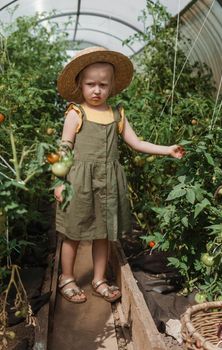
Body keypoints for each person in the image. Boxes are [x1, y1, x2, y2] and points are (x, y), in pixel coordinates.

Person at [54, 47, 185, 304]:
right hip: (78, 181)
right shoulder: (75, 113)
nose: (96, 90)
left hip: (108, 182)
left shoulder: (117, 114)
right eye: (90, 84)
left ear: (112, 86)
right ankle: (66, 278)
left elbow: (136, 143)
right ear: (80, 83)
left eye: (103, 84)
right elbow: (64, 148)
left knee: (103, 233)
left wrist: (167, 149)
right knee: (72, 233)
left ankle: (99, 279)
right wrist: (60, 182)